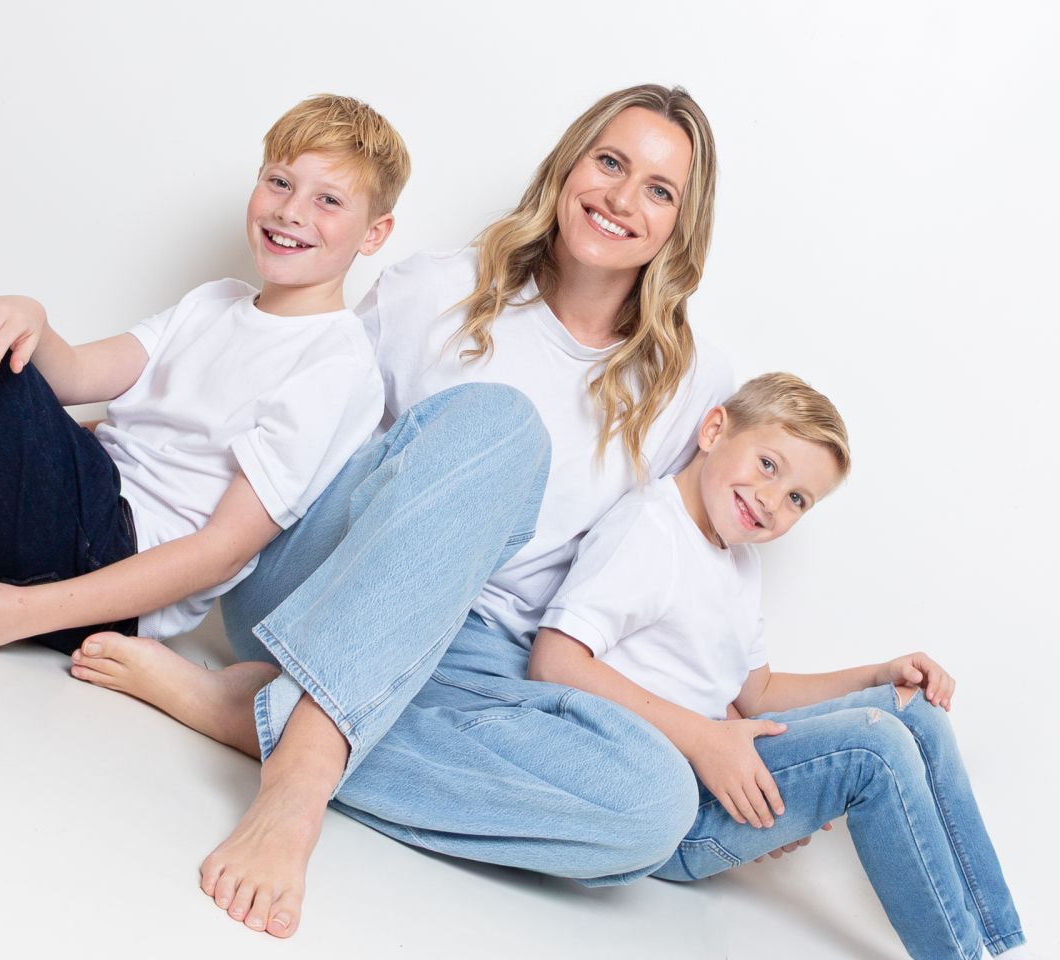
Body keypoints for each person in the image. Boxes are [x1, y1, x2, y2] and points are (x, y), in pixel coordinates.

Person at [70, 83, 743, 938]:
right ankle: (300, 778)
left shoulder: (691, 383)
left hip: (476, 654)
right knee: (502, 427)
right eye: (609, 162)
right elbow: (290, 399)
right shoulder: (437, 287)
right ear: (569, 165)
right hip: (321, 586)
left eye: (659, 189)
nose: (621, 198)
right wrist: (124, 434)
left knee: (653, 806)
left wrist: (730, 704)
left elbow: (667, 558)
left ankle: (250, 713)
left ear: (682, 224)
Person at [0, 94, 408, 656]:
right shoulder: (214, 303)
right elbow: (75, 378)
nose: (291, 212)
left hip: (104, 566)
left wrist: (18, 614)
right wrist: (33, 320)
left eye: (329, 200)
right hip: (82, 492)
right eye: (280, 182)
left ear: (374, 233)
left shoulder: (335, 364)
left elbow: (222, 552)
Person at [529, 373, 1027, 960]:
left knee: (912, 711)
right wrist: (704, 738)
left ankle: (997, 944)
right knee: (875, 750)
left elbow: (758, 693)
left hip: (726, 763)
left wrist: (877, 675)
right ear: (714, 430)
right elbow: (554, 661)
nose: (770, 500)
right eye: (768, 464)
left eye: (797, 499)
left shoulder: (737, 563)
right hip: (678, 804)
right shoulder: (650, 529)